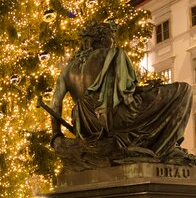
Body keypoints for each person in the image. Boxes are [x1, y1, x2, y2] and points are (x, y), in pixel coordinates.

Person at [49, 22, 194, 164]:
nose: (113, 40)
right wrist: (148, 89)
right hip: (117, 116)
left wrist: (56, 134)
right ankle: (163, 149)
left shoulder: (67, 71)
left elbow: (55, 103)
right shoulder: (115, 54)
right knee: (183, 90)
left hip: (87, 126)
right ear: (104, 38)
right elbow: (127, 93)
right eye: (111, 35)